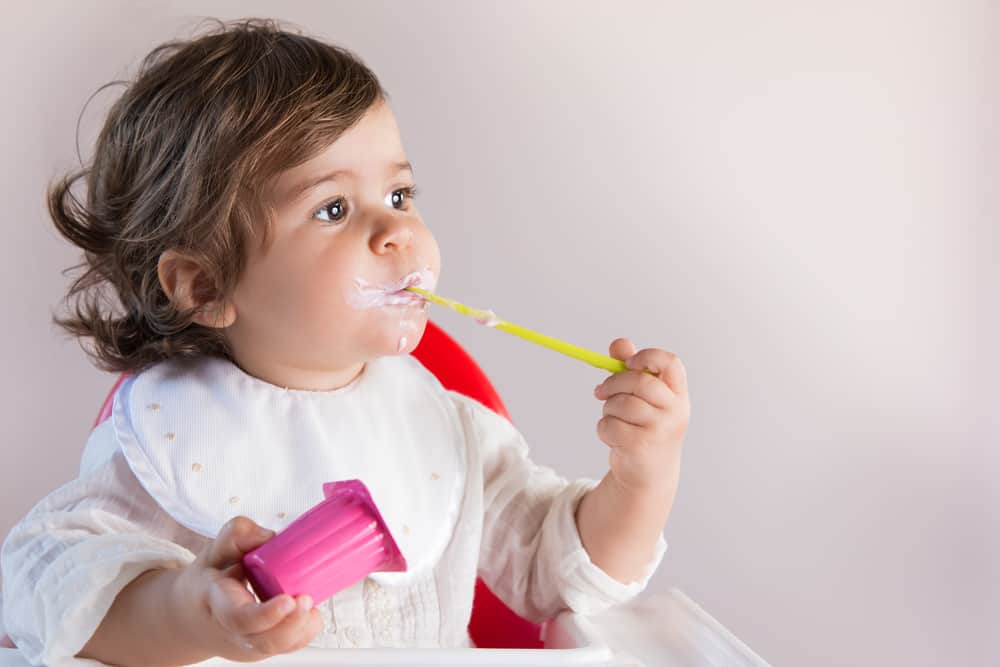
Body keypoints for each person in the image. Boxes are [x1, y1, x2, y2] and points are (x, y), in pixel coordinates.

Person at [0, 18, 690, 667]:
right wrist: (194, 612)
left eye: (399, 194)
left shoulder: (444, 429)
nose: (394, 233)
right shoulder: (172, 435)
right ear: (205, 285)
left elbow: (562, 573)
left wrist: (641, 476)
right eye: (333, 208)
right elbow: (47, 590)